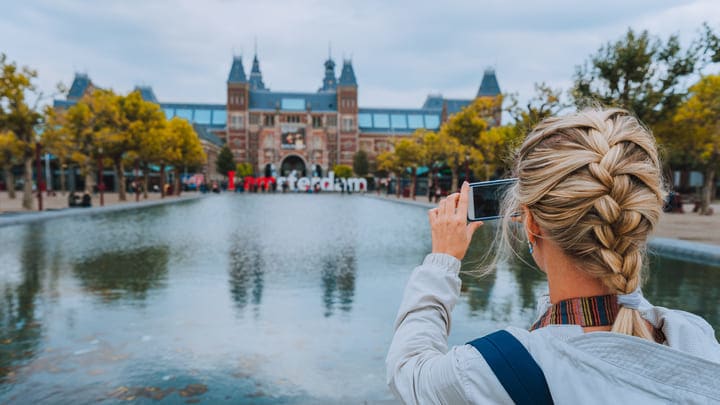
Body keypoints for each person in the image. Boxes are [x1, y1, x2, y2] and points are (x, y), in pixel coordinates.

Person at [386, 109, 720, 404]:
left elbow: (408, 372)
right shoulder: (694, 339)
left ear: (529, 223)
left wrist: (443, 260)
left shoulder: (498, 371)